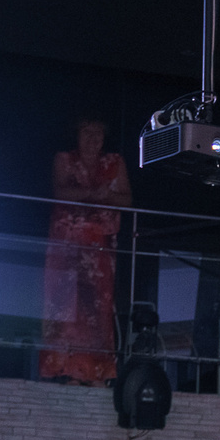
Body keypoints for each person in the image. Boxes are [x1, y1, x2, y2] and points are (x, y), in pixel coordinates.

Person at [41, 119, 132, 385]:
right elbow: (61, 191)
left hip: (99, 247)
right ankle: (68, 371)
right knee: (65, 307)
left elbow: (126, 198)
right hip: (67, 245)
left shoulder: (114, 162)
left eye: (98, 133)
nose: (93, 138)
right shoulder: (64, 159)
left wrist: (101, 196)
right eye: (87, 132)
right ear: (77, 134)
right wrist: (96, 193)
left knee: (98, 309)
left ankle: (95, 372)